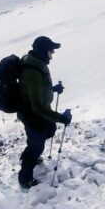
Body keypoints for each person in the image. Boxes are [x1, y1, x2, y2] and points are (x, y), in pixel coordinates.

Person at [17, 35, 71, 189]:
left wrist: (52, 89)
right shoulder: (33, 72)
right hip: (32, 115)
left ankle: (28, 155)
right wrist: (61, 118)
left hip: (33, 113)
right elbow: (38, 106)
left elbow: (36, 91)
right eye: (50, 51)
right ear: (43, 51)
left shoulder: (36, 64)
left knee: (46, 132)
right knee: (37, 145)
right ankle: (25, 178)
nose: (52, 54)